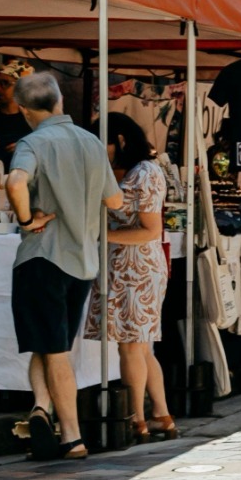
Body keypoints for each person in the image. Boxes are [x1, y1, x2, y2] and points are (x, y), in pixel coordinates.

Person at [2, 70, 120, 461]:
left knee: (53, 350)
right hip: (82, 261)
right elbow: (115, 202)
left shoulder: (32, 143)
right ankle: (41, 407)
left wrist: (25, 219)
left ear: (22, 110)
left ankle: (72, 437)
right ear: (60, 101)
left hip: (42, 256)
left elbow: (15, 182)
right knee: (49, 341)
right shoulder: (91, 142)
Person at [101, 112, 178, 442]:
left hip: (137, 268)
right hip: (136, 266)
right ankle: (162, 417)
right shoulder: (142, 170)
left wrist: (103, 235)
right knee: (142, 348)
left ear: (119, 141)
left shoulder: (143, 173)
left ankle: (138, 420)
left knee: (131, 347)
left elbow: (149, 230)